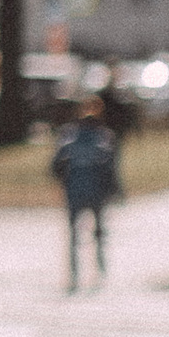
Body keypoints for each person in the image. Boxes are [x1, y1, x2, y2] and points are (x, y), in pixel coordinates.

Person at [53, 95, 120, 292]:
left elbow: (56, 165)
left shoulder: (68, 136)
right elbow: (110, 168)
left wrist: (64, 181)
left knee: (74, 235)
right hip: (96, 192)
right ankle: (100, 271)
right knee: (98, 232)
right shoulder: (104, 137)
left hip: (74, 191)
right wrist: (113, 190)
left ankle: (75, 275)